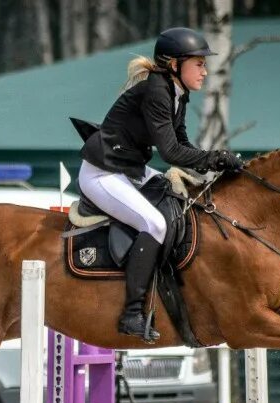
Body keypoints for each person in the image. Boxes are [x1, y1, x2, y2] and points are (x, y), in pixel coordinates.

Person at [78, 27, 244, 343]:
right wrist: (216, 158)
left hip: (130, 170)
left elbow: (181, 141)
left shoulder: (177, 93)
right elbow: (169, 152)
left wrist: (210, 168)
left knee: (180, 202)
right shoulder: (157, 91)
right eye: (198, 64)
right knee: (154, 223)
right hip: (102, 174)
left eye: (203, 64)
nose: (205, 71)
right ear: (174, 65)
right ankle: (131, 313)